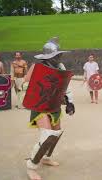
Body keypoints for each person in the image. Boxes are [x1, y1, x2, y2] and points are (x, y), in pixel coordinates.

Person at [24, 37, 75, 180]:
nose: (60, 56)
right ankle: (31, 166)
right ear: (50, 55)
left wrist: (70, 102)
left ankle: (46, 157)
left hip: (54, 105)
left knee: (56, 133)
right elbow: (25, 85)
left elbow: (66, 85)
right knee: (47, 135)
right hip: (40, 106)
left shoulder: (61, 67)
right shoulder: (37, 67)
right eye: (57, 54)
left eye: (60, 54)